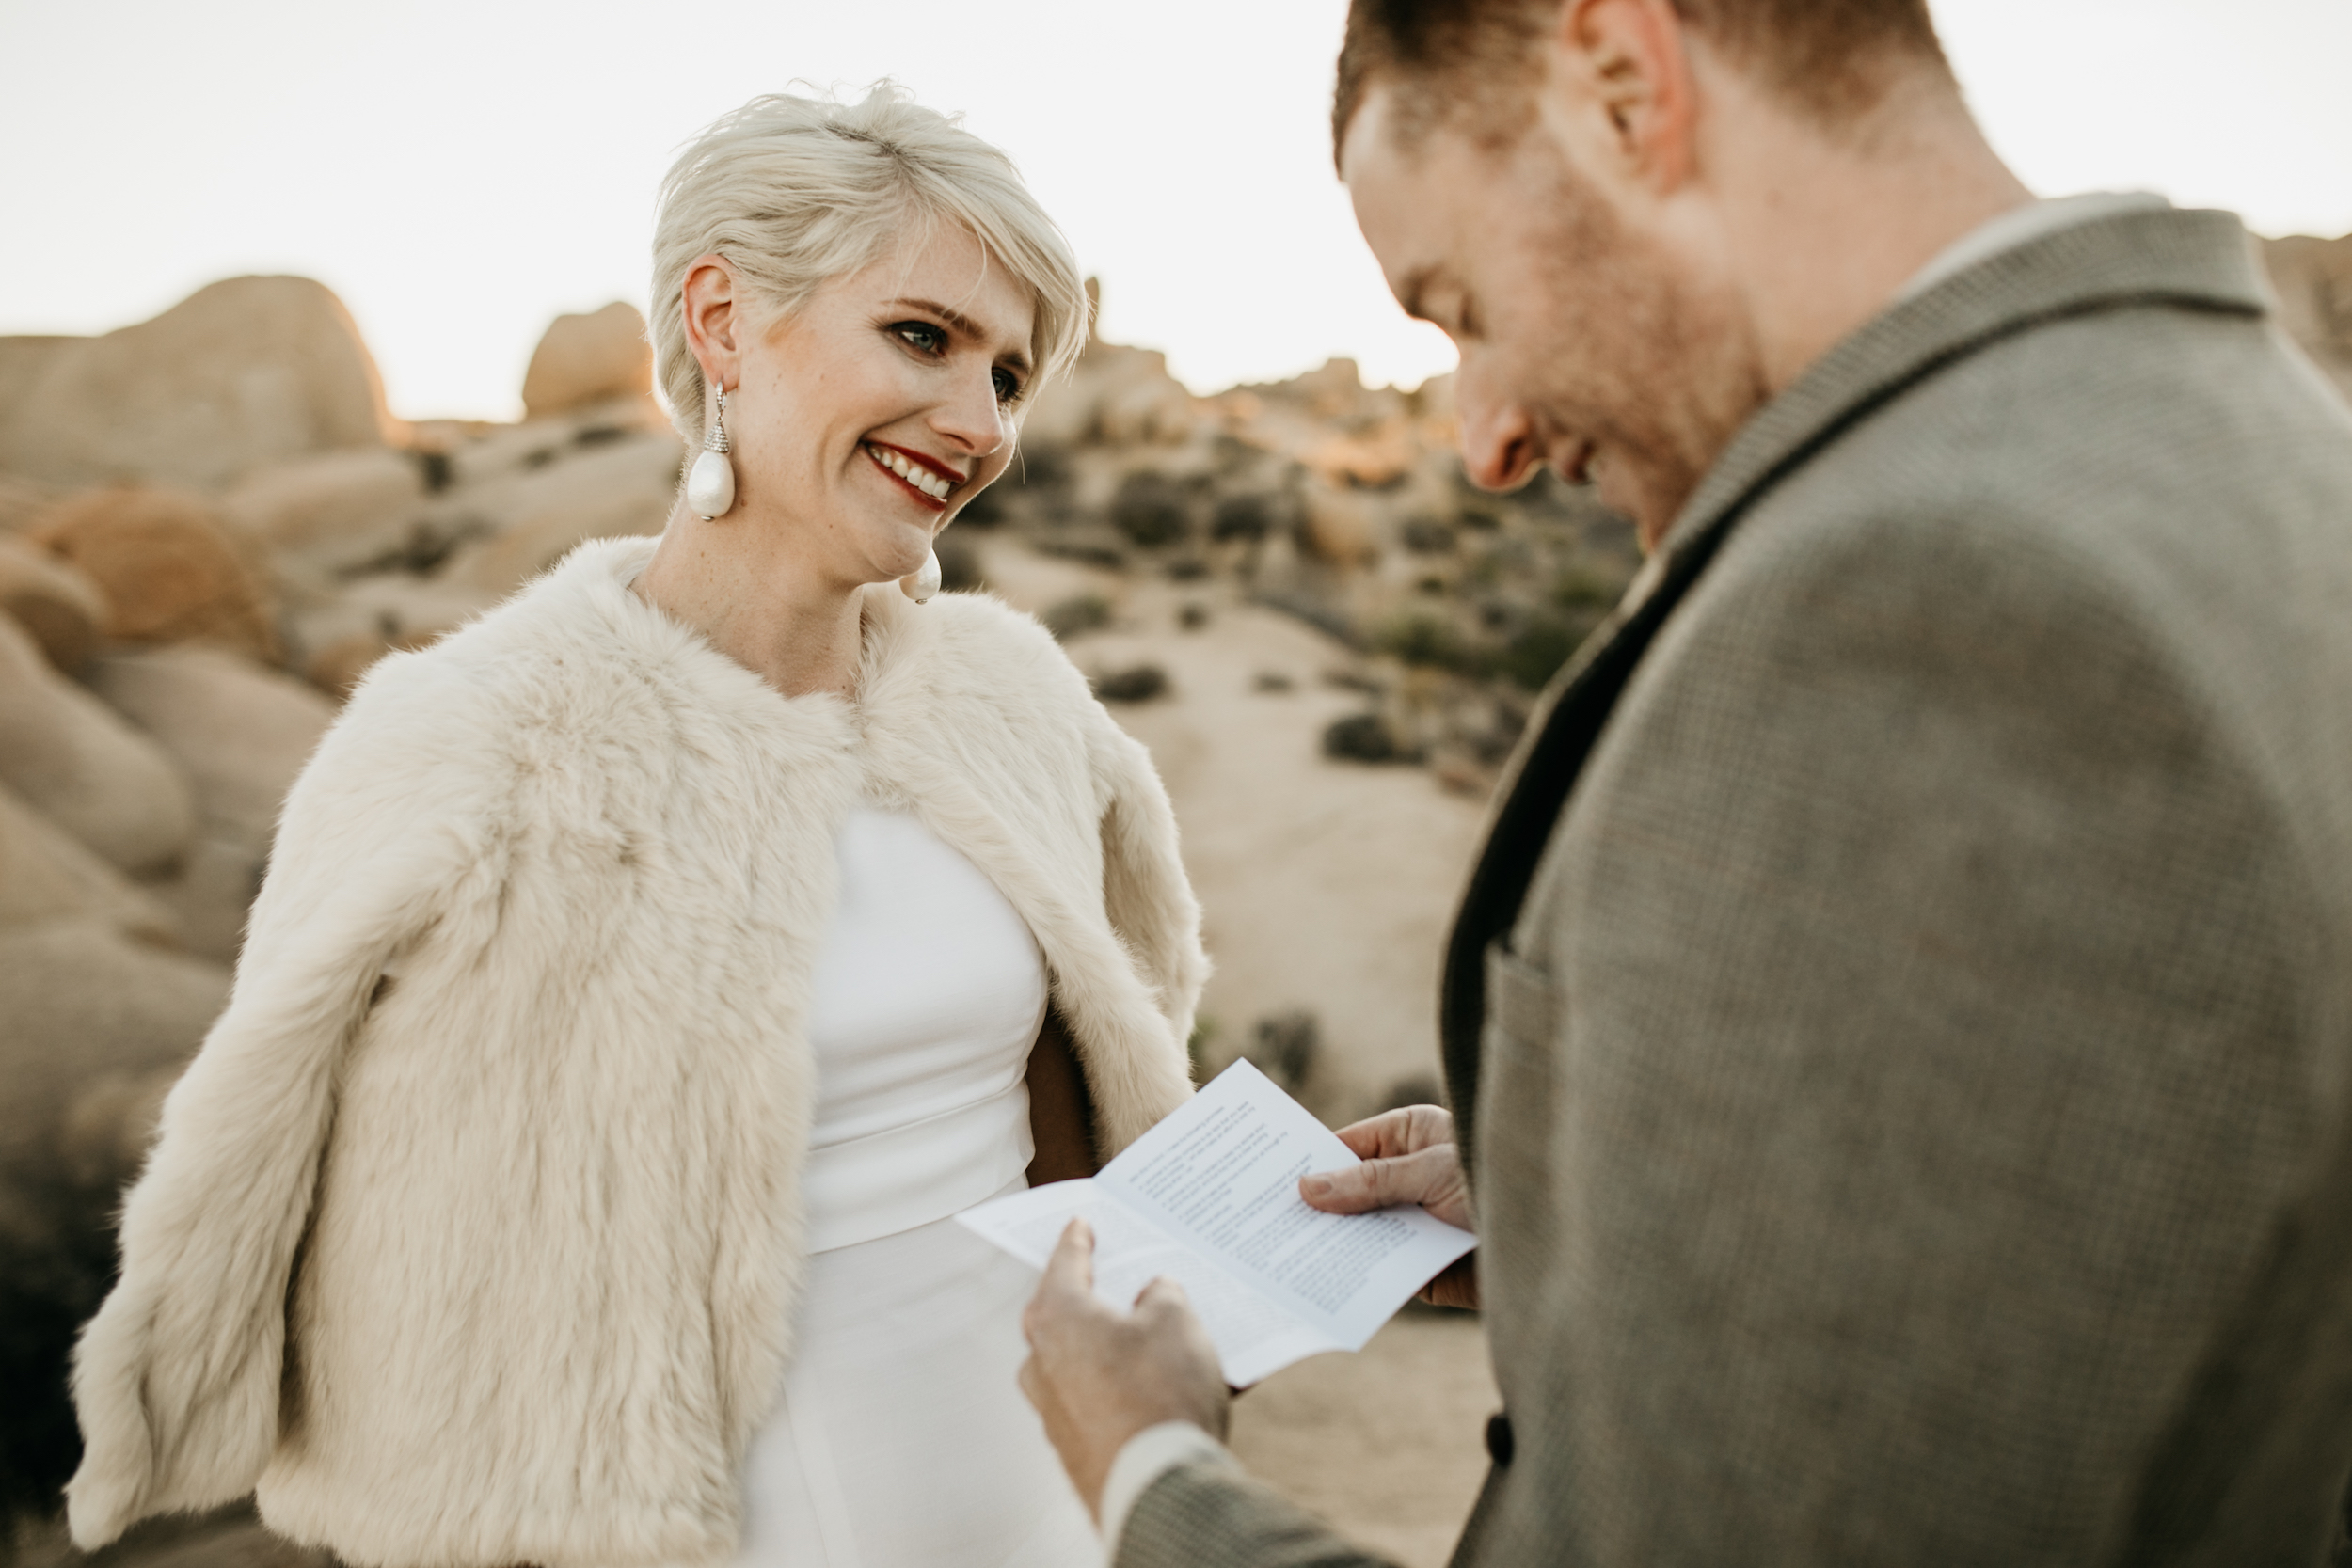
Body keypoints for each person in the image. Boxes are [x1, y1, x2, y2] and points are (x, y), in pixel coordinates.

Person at [1019, 0, 2352, 1561]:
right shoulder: (2258, 449)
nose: (1487, 438)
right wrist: (1591, 1208)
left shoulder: (1916, 604)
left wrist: (1156, 1475)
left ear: (1620, 79)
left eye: (1460, 308)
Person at [66, 85, 1204, 1568]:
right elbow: (276, 1171)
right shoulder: (466, 746)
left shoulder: (1014, 702)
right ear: (724, 323)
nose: (979, 423)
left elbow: (1095, 1117)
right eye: (923, 338)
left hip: (1048, 1510)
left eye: (1009, 373)